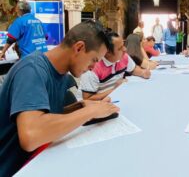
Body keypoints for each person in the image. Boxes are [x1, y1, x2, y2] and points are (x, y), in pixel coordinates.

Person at [0, 21, 120, 177]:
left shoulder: (60, 73)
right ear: (79, 48)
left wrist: (80, 107)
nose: (94, 67)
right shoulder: (32, 70)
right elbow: (31, 135)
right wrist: (89, 112)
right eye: (94, 60)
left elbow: (44, 114)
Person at [80, 31, 151, 101]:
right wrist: (115, 89)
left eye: (124, 45)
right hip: (101, 103)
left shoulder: (124, 57)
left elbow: (133, 69)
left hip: (118, 96)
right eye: (120, 48)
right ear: (107, 52)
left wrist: (143, 73)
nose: (125, 49)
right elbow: (87, 99)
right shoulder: (92, 68)